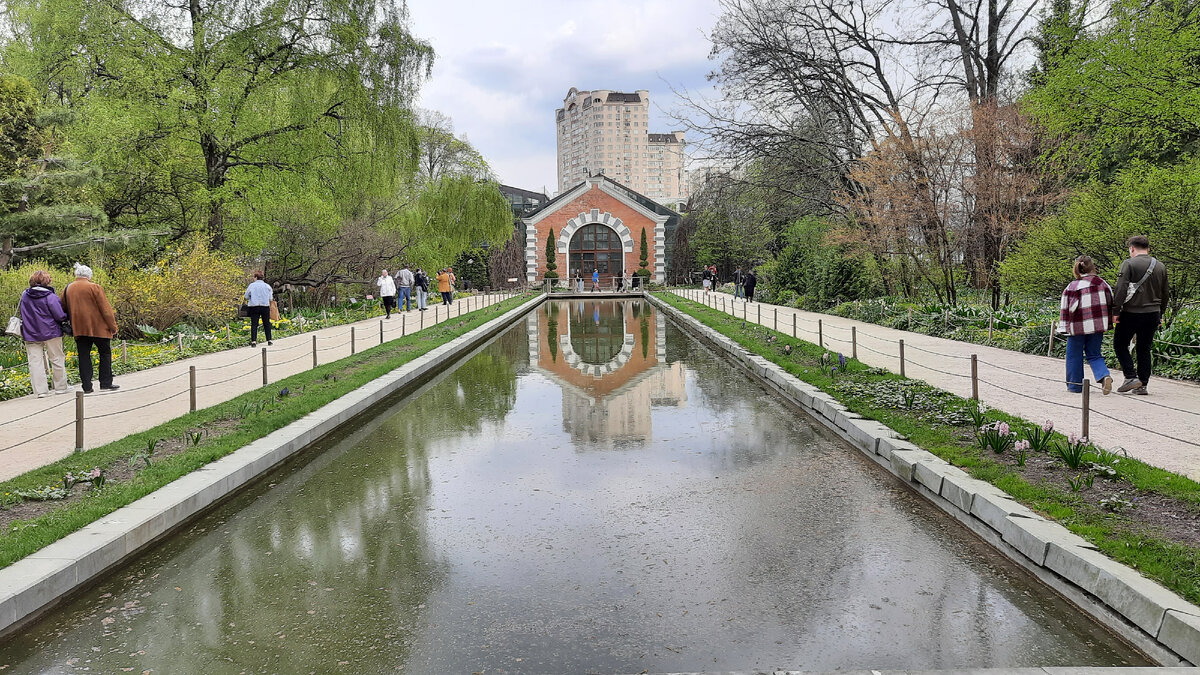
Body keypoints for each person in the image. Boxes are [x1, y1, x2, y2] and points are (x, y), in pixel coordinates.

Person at [1112, 235, 1170, 395]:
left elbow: (1121, 289)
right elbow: (1165, 293)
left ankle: (1130, 376)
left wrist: (1115, 311)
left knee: (1120, 344)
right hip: (1153, 313)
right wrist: (1160, 313)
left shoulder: (1129, 264)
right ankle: (1143, 385)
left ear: (1132, 248)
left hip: (1131, 313)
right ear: (1148, 249)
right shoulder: (1160, 266)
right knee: (1144, 349)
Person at [1059, 256, 1115, 395]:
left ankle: (1075, 386)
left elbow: (1065, 308)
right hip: (1098, 325)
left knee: (1074, 355)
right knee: (1094, 353)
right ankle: (1104, 376)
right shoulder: (1103, 284)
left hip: (1077, 326)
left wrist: (1064, 327)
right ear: (1092, 267)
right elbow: (1111, 302)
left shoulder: (1073, 286)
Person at [63, 263, 119, 393]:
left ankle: (87, 386)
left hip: (79, 329)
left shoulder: (68, 289)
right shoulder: (95, 287)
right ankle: (105, 383)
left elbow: (63, 308)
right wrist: (113, 327)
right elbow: (106, 310)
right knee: (105, 353)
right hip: (99, 328)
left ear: (76, 275)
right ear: (89, 275)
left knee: (83, 356)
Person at [19, 270, 70, 398]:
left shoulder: (25, 295)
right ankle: (60, 387)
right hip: (51, 332)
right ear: (46, 281)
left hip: (30, 332)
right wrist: (67, 317)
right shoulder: (50, 297)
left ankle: (41, 391)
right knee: (57, 358)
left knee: (35, 362)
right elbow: (59, 315)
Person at [244, 271, 274, 347]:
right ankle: (269, 340)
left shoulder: (251, 286)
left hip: (254, 306)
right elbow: (271, 298)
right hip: (265, 306)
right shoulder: (267, 286)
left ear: (256, 277)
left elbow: (246, 296)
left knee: (254, 324)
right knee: (266, 323)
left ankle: (254, 341)